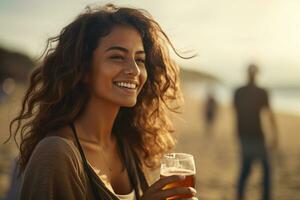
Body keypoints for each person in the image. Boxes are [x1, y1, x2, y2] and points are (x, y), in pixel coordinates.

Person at [7, 4, 197, 200]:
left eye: (139, 60)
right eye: (117, 57)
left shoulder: (126, 145)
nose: (134, 70)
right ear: (83, 69)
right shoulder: (56, 154)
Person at [233, 64, 278, 200]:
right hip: (257, 136)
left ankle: (240, 196)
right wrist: (275, 134)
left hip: (243, 135)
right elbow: (270, 114)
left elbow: (236, 112)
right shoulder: (261, 92)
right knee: (266, 171)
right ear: (257, 74)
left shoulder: (238, 91)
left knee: (245, 170)